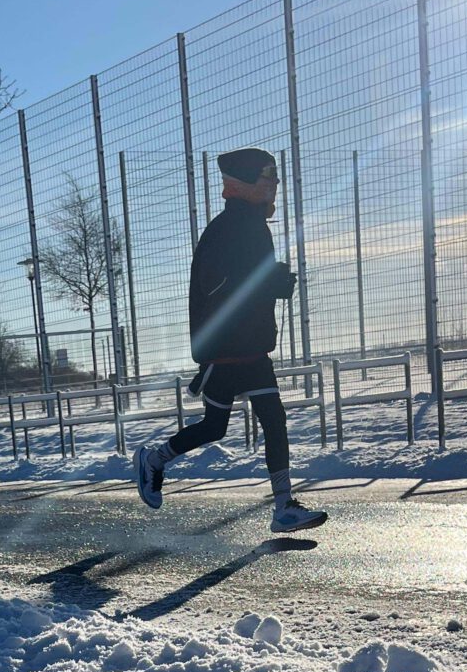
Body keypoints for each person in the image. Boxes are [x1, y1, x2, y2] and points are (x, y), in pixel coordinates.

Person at [134, 147, 327, 533]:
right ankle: (154, 459)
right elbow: (217, 284)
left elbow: (244, 282)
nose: (274, 186)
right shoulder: (228, 228)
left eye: (275, 179)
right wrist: (266, 282)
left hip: (251, 346)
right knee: (216, 427)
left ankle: (283, 506)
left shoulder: (252, 225)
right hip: (226, 350)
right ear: (243, 184)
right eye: (267, 178)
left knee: (272, 419)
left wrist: (271, 282)